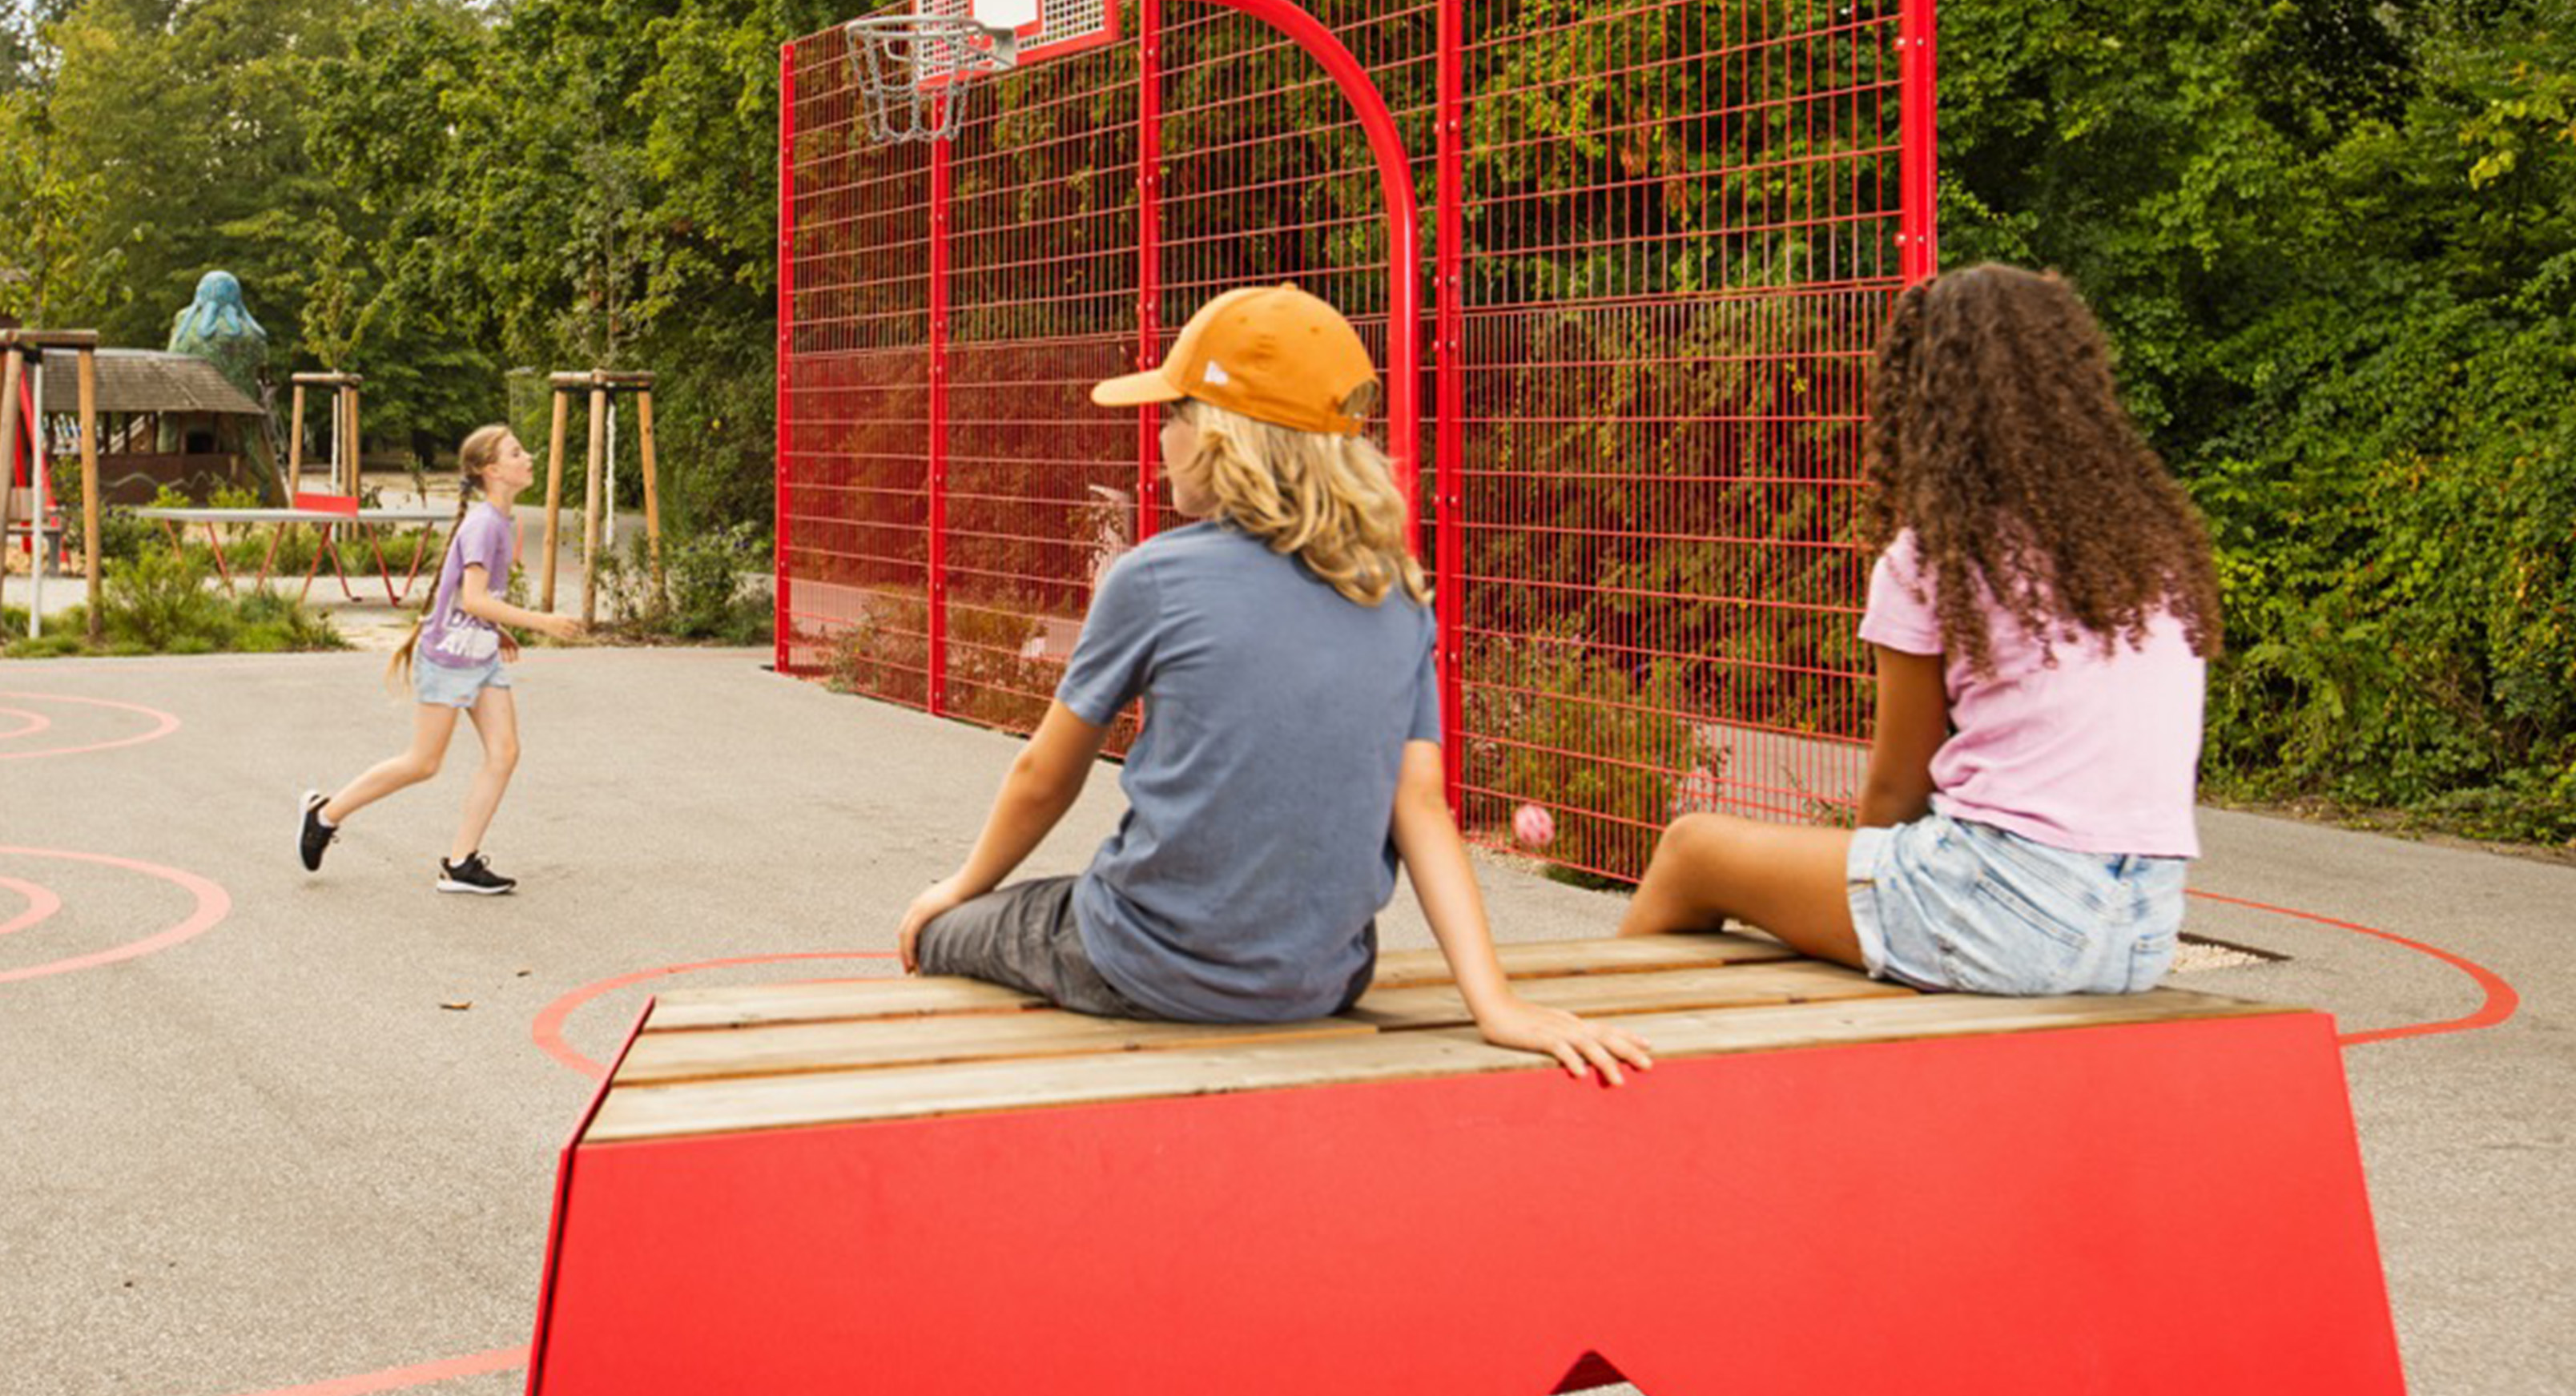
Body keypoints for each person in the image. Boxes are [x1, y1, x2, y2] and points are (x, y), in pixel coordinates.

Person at [897, 286, 1654, 1083]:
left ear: (1222, 437)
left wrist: (958, 888)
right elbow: (1421, 807)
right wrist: (1494, 1004)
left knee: (945, 930)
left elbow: (1043, 774)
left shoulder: (1153, 577)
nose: (1158, 433)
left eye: (1173, 413)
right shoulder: (1393, 594)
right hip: (1319, 983)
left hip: (1142, 963)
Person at [1617, 264, 2220, 996]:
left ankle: (1599, 1082)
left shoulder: (1936, 555)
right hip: (2144, 930)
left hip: (2007, 918)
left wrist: (1853, 901)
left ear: (1928, 397)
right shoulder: (2149, 553)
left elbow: (1897, 792)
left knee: (1692, 851)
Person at [296, 423, 585, 893]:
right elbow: (472, 599)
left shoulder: (500, 520)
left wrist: (498, 627)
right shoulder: (484, 524)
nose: (528, 457)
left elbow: (473, 601)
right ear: (494, 470)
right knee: (423, 763)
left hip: (479, 654)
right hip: (449, 658)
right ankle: (324, 815)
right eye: (517, 452)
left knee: (505, 751)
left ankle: (460, 862)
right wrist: (541, 622)